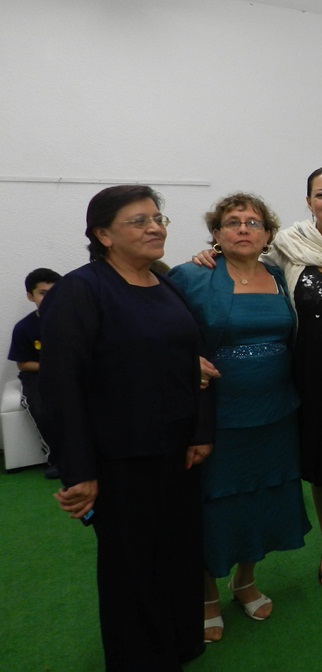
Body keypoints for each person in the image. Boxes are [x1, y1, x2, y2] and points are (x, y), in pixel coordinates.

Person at [39, 185, 212, 671]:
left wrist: (199, 432)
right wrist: (79, 470)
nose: (155, 228)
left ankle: (180, 643)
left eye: (158, 219)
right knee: (132, 564)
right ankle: (140, 658)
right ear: (103, 235)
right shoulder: (81, 291)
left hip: (176, 452)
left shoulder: (164, 284)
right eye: (139, 221)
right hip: (120, 458)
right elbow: (60, 386)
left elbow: (195, 363)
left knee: (178, 552)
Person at [192, 167, 322, 589]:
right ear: (309, 202)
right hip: (312, 375)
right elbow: (243, 265)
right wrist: (208, 255)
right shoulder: (288, 246)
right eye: (321, 194)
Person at [169, 193, 311, 643]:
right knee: (213, 505)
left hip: (275, 413)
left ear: (268, 235)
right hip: (218, 416)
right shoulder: (192, 276)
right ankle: (206, 594)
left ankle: (245, 581)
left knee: (261, 499)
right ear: (216, 233)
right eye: (232, 222)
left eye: (253, 222)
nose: (244, 229)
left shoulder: (278, 276)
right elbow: (162, 333)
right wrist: (186, 362)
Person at [7, 267, 61, 478]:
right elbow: (23, 364)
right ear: (31, 296)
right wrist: (53, 366)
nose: (49, 298)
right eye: (43, 293)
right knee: (41, 405)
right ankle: (57, 458)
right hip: (38, 377)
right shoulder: (24, 327)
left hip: (70, 373)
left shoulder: (73, 321)